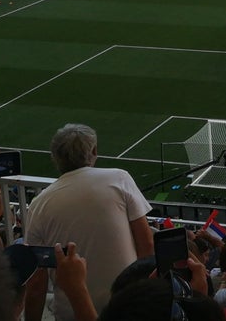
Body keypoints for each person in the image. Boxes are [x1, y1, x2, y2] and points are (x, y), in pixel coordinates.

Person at [24, 124, 153, 321]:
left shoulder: (38, 205)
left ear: (55, 157)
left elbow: (36, 283)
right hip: (125, 308)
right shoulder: (119, 178)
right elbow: (147, 246)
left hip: (71, 312)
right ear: (94, 151)